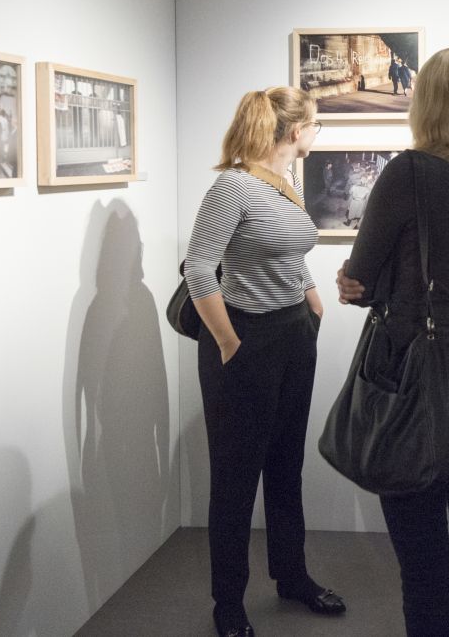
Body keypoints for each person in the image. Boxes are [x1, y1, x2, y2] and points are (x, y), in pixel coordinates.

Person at [336, 46, 449, 636]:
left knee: (423, 569)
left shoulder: (409, 172)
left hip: (417, 391)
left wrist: (358, 283)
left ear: (428, 101)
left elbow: (361, 278)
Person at [184, 86, 344, 637]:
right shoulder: (233, 185)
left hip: (292, 336)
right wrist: (229, 341)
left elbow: (287, 252)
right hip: (245, 340)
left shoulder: (286, 183)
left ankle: (291, 575)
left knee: (285, 464)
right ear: (293, 131)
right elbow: (200, 268)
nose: (316, 134)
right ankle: (227, 602)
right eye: (315, 125)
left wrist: (310, 295)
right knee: (234, 479)